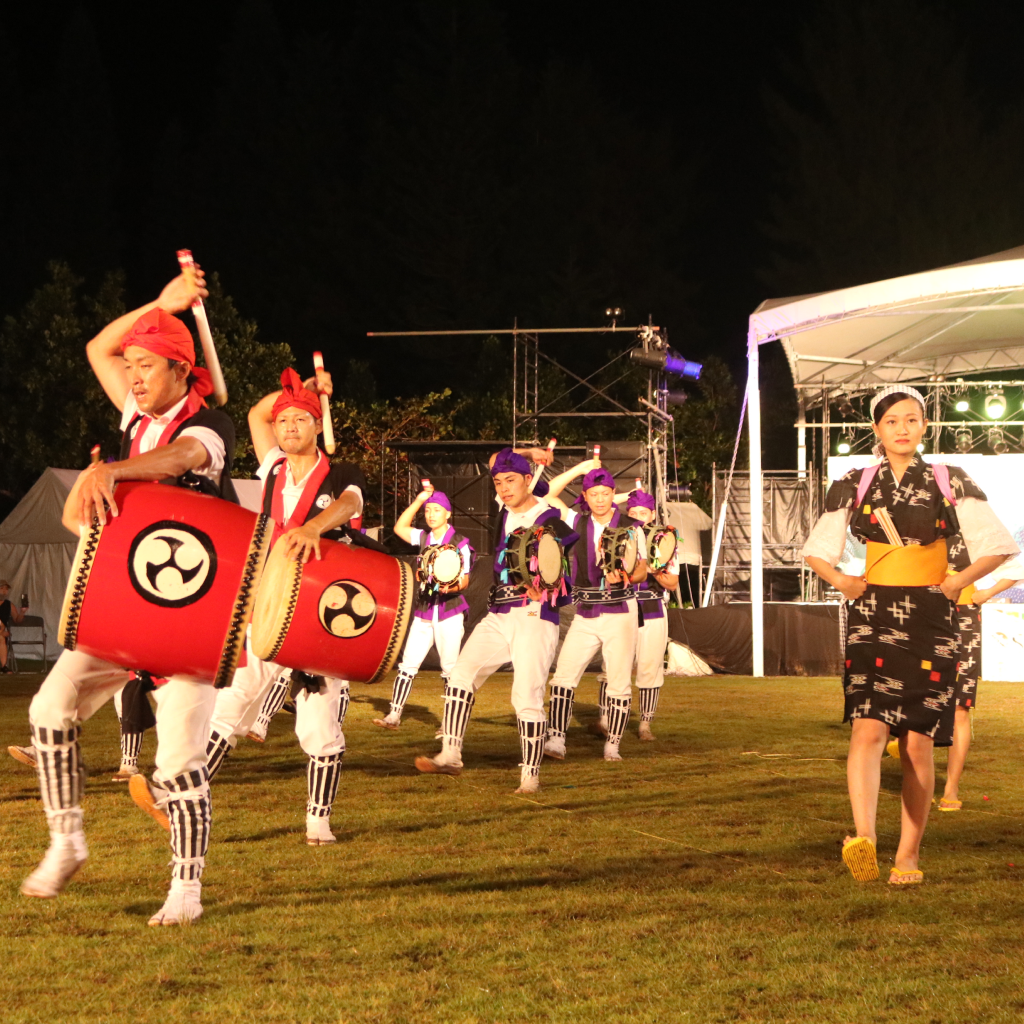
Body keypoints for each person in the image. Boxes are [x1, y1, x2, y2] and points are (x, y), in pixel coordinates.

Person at [22, 267, 238, 925]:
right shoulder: (133, 414)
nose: (134, 375)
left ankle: (186, 890)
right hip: (125, 609)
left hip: (191, 621)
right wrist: (161, 302)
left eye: (147, 365)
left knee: (177, 765)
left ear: (181, 371)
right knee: (49, 707)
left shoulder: (212, 426)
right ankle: (67, 840)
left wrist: (109, 471)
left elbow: (178, 459)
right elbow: (98, 348)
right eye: (133, 366)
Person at [802, 385, 1016, 885]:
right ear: (876, 429)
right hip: (871, 613)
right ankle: (865, 837)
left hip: (931, 617)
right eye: (892, 420)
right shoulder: (855, 482)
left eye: (912, 419)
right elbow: (817, 549)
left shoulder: (949, 478)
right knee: (867, 727)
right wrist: (842, 581)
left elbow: (998, 545)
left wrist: (958, 582)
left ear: (924, 425)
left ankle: (908, 855)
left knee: (918, 740)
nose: (903, 428)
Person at [201, 366, 363, 846]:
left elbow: (351, 504)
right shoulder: (272, 466)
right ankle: (183, 796)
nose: (288, 427)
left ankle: (318, 822)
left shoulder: (341, 473)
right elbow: (256, 413)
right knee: (229, 703)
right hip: (269, 603)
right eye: (284, 420)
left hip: (321, 612)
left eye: (300, 419)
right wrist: (302, 389)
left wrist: (314, 526)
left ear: (318, 425)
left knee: (318, 724)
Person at [414, 445, 568, 793]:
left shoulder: (548, 516)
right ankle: (450, 755)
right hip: (499, 613)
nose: (503, 488)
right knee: (460, 676)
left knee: (526, 697)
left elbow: (558, 563)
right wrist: (530, 451)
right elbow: (495, 460)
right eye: (498, 482)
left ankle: (530, 777)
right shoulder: (505, 509)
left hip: (535, 615)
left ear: (528, 480)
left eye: (511, 480)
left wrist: (546, 583)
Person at [541, 460, 648, 761]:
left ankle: (613, 744)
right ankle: (557, 740)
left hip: (621, 610)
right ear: (585, 497)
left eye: (605, 493)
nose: (600, 499)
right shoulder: (576, 521)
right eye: (594, 494)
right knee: (563, 677)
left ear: (614, 494)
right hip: (586, 611)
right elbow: (548, 494)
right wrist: (579, 470)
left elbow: (642, 570)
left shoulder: (631, 526)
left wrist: (626, 576)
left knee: (618, 681)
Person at [374, 487, 473, 730]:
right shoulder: (423, 537)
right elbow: (399, 527)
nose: (431, 515)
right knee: (407, 664)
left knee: (450, 669)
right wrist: (419, 500)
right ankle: (394, 715)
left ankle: (450, 723)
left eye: (436, 510)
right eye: (428, 511)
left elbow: (464, 581)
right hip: (425, 609)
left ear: (447, 514)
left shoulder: (460, 542)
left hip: (449, 610)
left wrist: (445, 586)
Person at [0, 579, 28, 673]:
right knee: (1, 636)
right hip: (1, 631)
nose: (4, 591)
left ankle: (4, 666)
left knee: (1, 638)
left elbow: (17, 620)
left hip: (2, 632)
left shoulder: (8, 604)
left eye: (6, 589)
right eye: (2, 588)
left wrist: (22, 612)